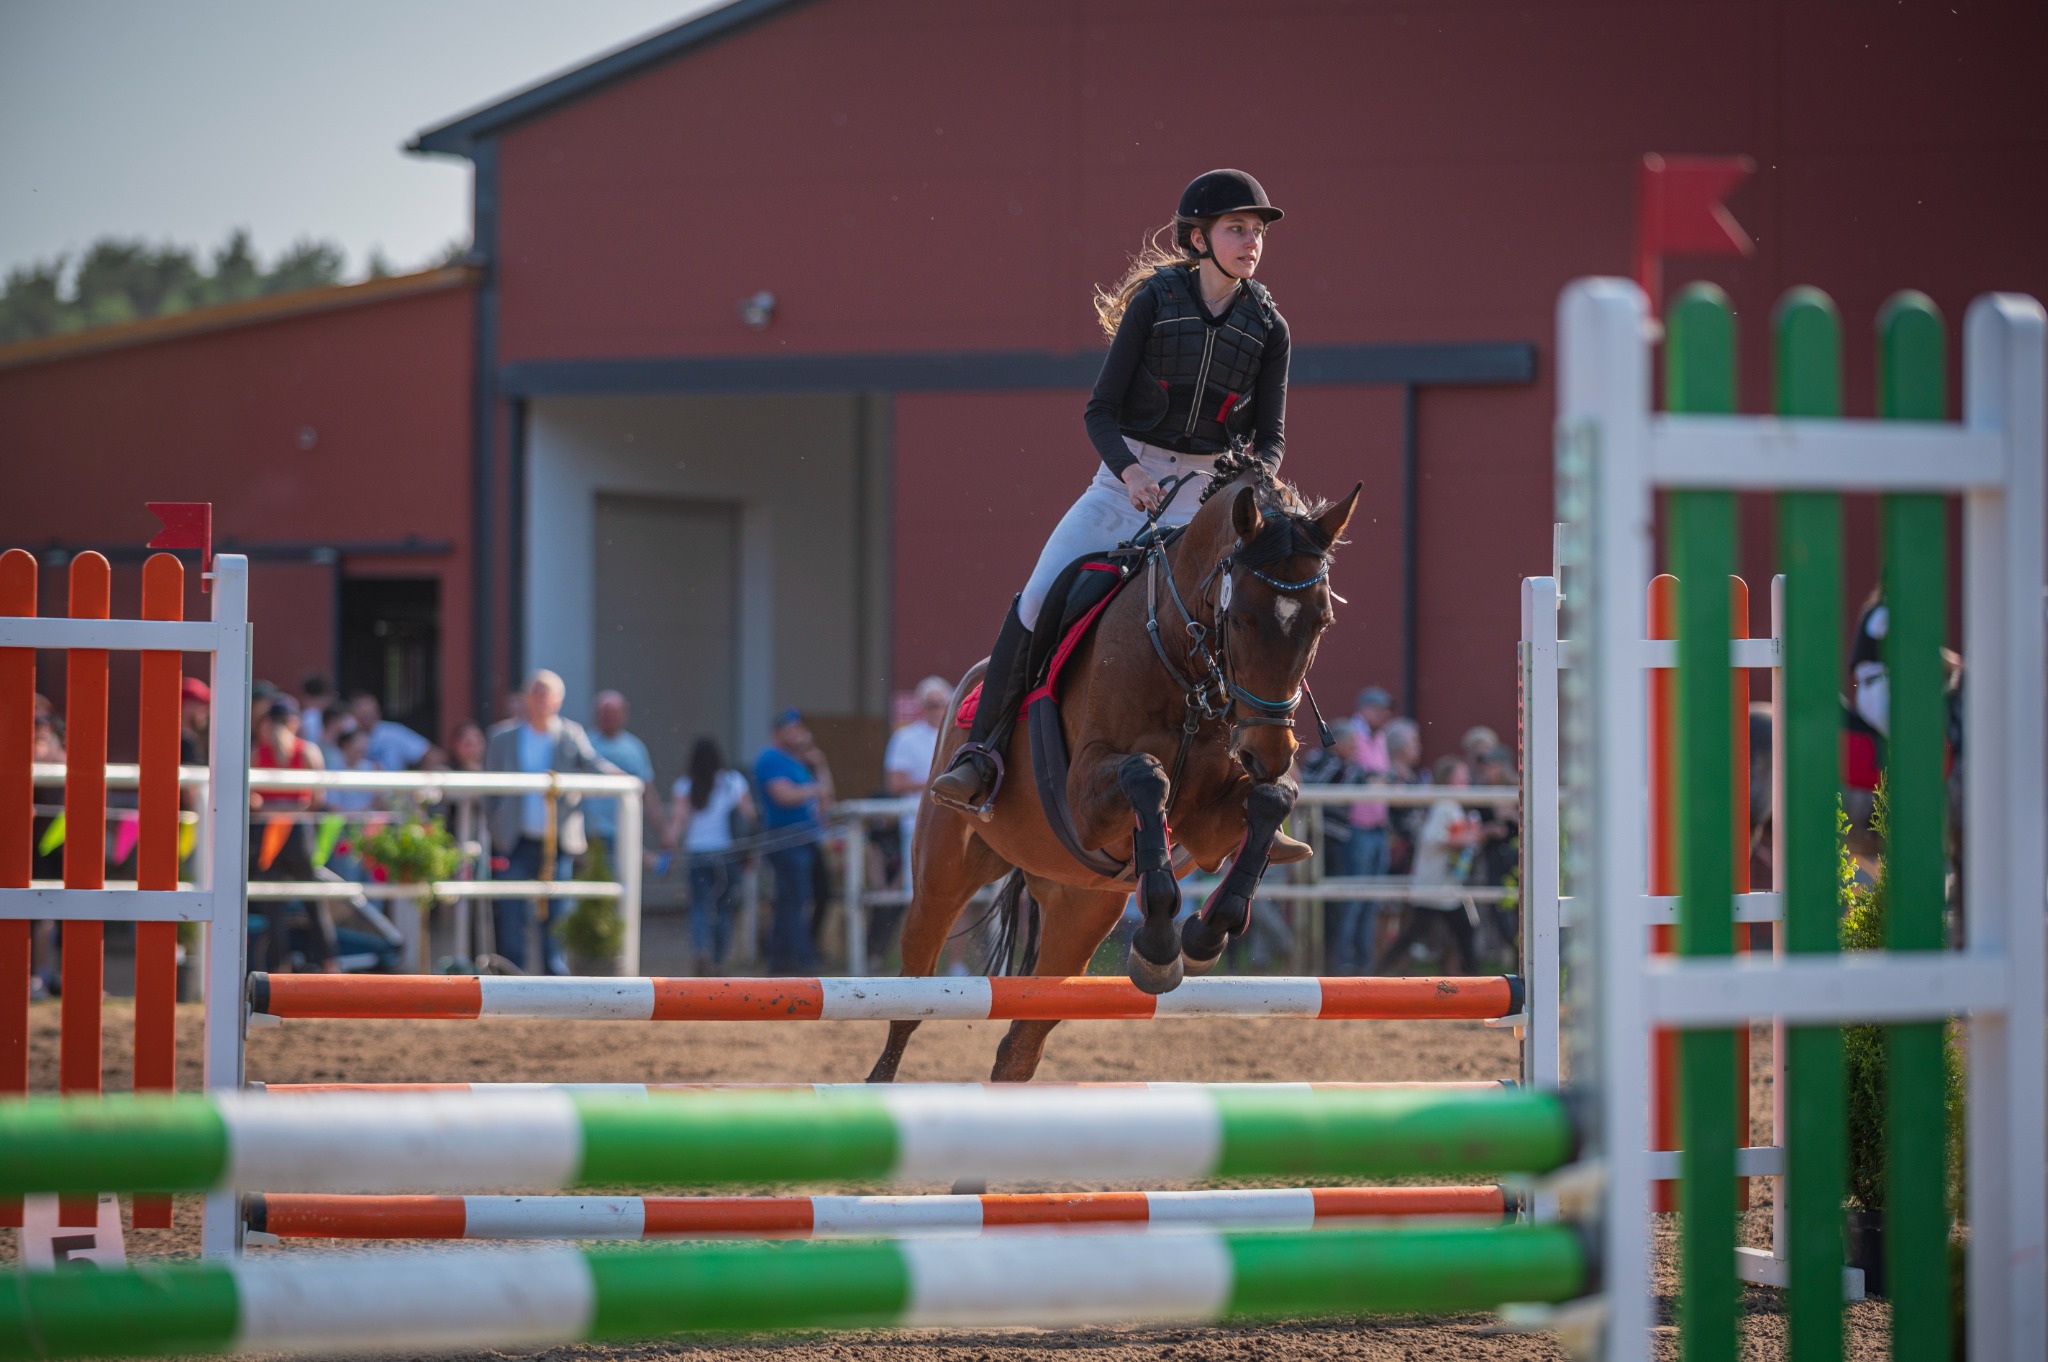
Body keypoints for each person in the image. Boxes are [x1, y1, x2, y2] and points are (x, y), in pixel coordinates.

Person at [928, 166, 1302, 873]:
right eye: (1237, 229)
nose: (1252, 242)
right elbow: (1099, 411)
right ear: (1199, 239)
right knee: (1038, 597)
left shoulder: (1269, 327)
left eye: (1257, 231)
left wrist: (1251, 482)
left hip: (1210, 495)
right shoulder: (1156, 304)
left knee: (1267, 608)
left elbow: (1273, 436)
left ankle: (1259, 790)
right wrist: (1130, 473)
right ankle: (981, 755)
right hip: (1123, 481)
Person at [483, 670, 619, 974]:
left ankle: (554, 982)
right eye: (536, 692)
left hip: (557, 843)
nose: (541, 699)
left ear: (558, 700)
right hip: (514, 842)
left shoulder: (570, 734)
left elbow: (593, 764)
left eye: (547, 693)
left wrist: (620, 777)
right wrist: (497, 826)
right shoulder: (502, 737)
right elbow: (488, 791)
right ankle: (511, 980)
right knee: (511, 915)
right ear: (525, 698)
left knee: (557, 917)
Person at [248, 695, 339, 973]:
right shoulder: (307, 751)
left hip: (268, 832)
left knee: (274, 905)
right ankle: (330, 965)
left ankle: (279, 970)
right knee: (313, 900)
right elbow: (318, 798)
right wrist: (294, 809)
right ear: (294, 722)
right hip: (298, 830)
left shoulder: (258, 752)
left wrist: (271, 807)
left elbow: (251, 799)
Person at [1371, 755, 1482, 975]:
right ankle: (1475, 980)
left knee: (1457, 931)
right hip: (1436, 885)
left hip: (1445, 885)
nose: (1467, 779)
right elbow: (1432, 838)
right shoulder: (1445, 806)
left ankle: (1381, 971)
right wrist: (1465, 839)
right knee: (1451, 931)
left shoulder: (1450, 805)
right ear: (1450, 779)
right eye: (1461, 775)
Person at [754, 708, 833, 974]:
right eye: (793, 729)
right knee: (793, 899)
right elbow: (783, 795)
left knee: (817, 894)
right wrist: (814, 789)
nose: (799, 733)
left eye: (800, 728)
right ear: (778, 732)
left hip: (808, 837)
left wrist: (819, 764)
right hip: (786, 838)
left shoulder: (799, 761)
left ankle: (798, 954)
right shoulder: (770, 758)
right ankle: (792, 959)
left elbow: (826, 795)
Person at [669, 736, 756, 974]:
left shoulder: (685, 785)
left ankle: (700, 950)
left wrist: (668, 850)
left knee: (699, 906)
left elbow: (678, 823)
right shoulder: (733, 782)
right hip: (727, 854)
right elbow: (749, 816)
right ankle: (718, 960)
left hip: (697, 853)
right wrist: (751, 852)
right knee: (723, 908)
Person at [882, 676, 951, 885]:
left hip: (953, 819)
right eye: (932, 705)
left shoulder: (957, 735)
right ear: (922, 706)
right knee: (918, 882)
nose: (937, 710)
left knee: (952, 884)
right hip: (917, 820)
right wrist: (938, 783)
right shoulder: (905, 737)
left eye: (942, 704)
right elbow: (894, 784)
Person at [584, 690, 658, 864]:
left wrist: (663, 832)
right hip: (590, 834)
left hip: (625, 829)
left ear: (624, 715)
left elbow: (648, 793)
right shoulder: (584, 744)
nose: (608, 718)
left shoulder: (635, 748)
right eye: (605, 713)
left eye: (613, 713)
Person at [347, 692, 442, 772]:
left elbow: (434, 755)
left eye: (372, 713)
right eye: (364, 715)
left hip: (391, 787)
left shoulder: (393, 733)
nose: (368, 719)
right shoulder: (345, 734)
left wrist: (413, 781)